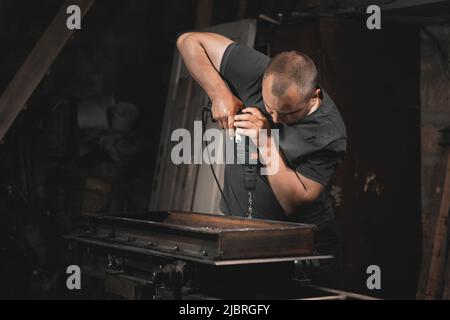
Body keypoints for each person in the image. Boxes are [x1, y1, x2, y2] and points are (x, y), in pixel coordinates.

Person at [177, 32, 347, 287]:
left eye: (288, 113)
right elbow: (189, 42)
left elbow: (293, 201)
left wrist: (266, 140)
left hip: (300, 247)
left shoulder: (328, 133)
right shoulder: (258, 72)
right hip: (238, 233)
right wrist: (219, 93)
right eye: (270, 108)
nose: (276, 118)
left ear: (313, 97)